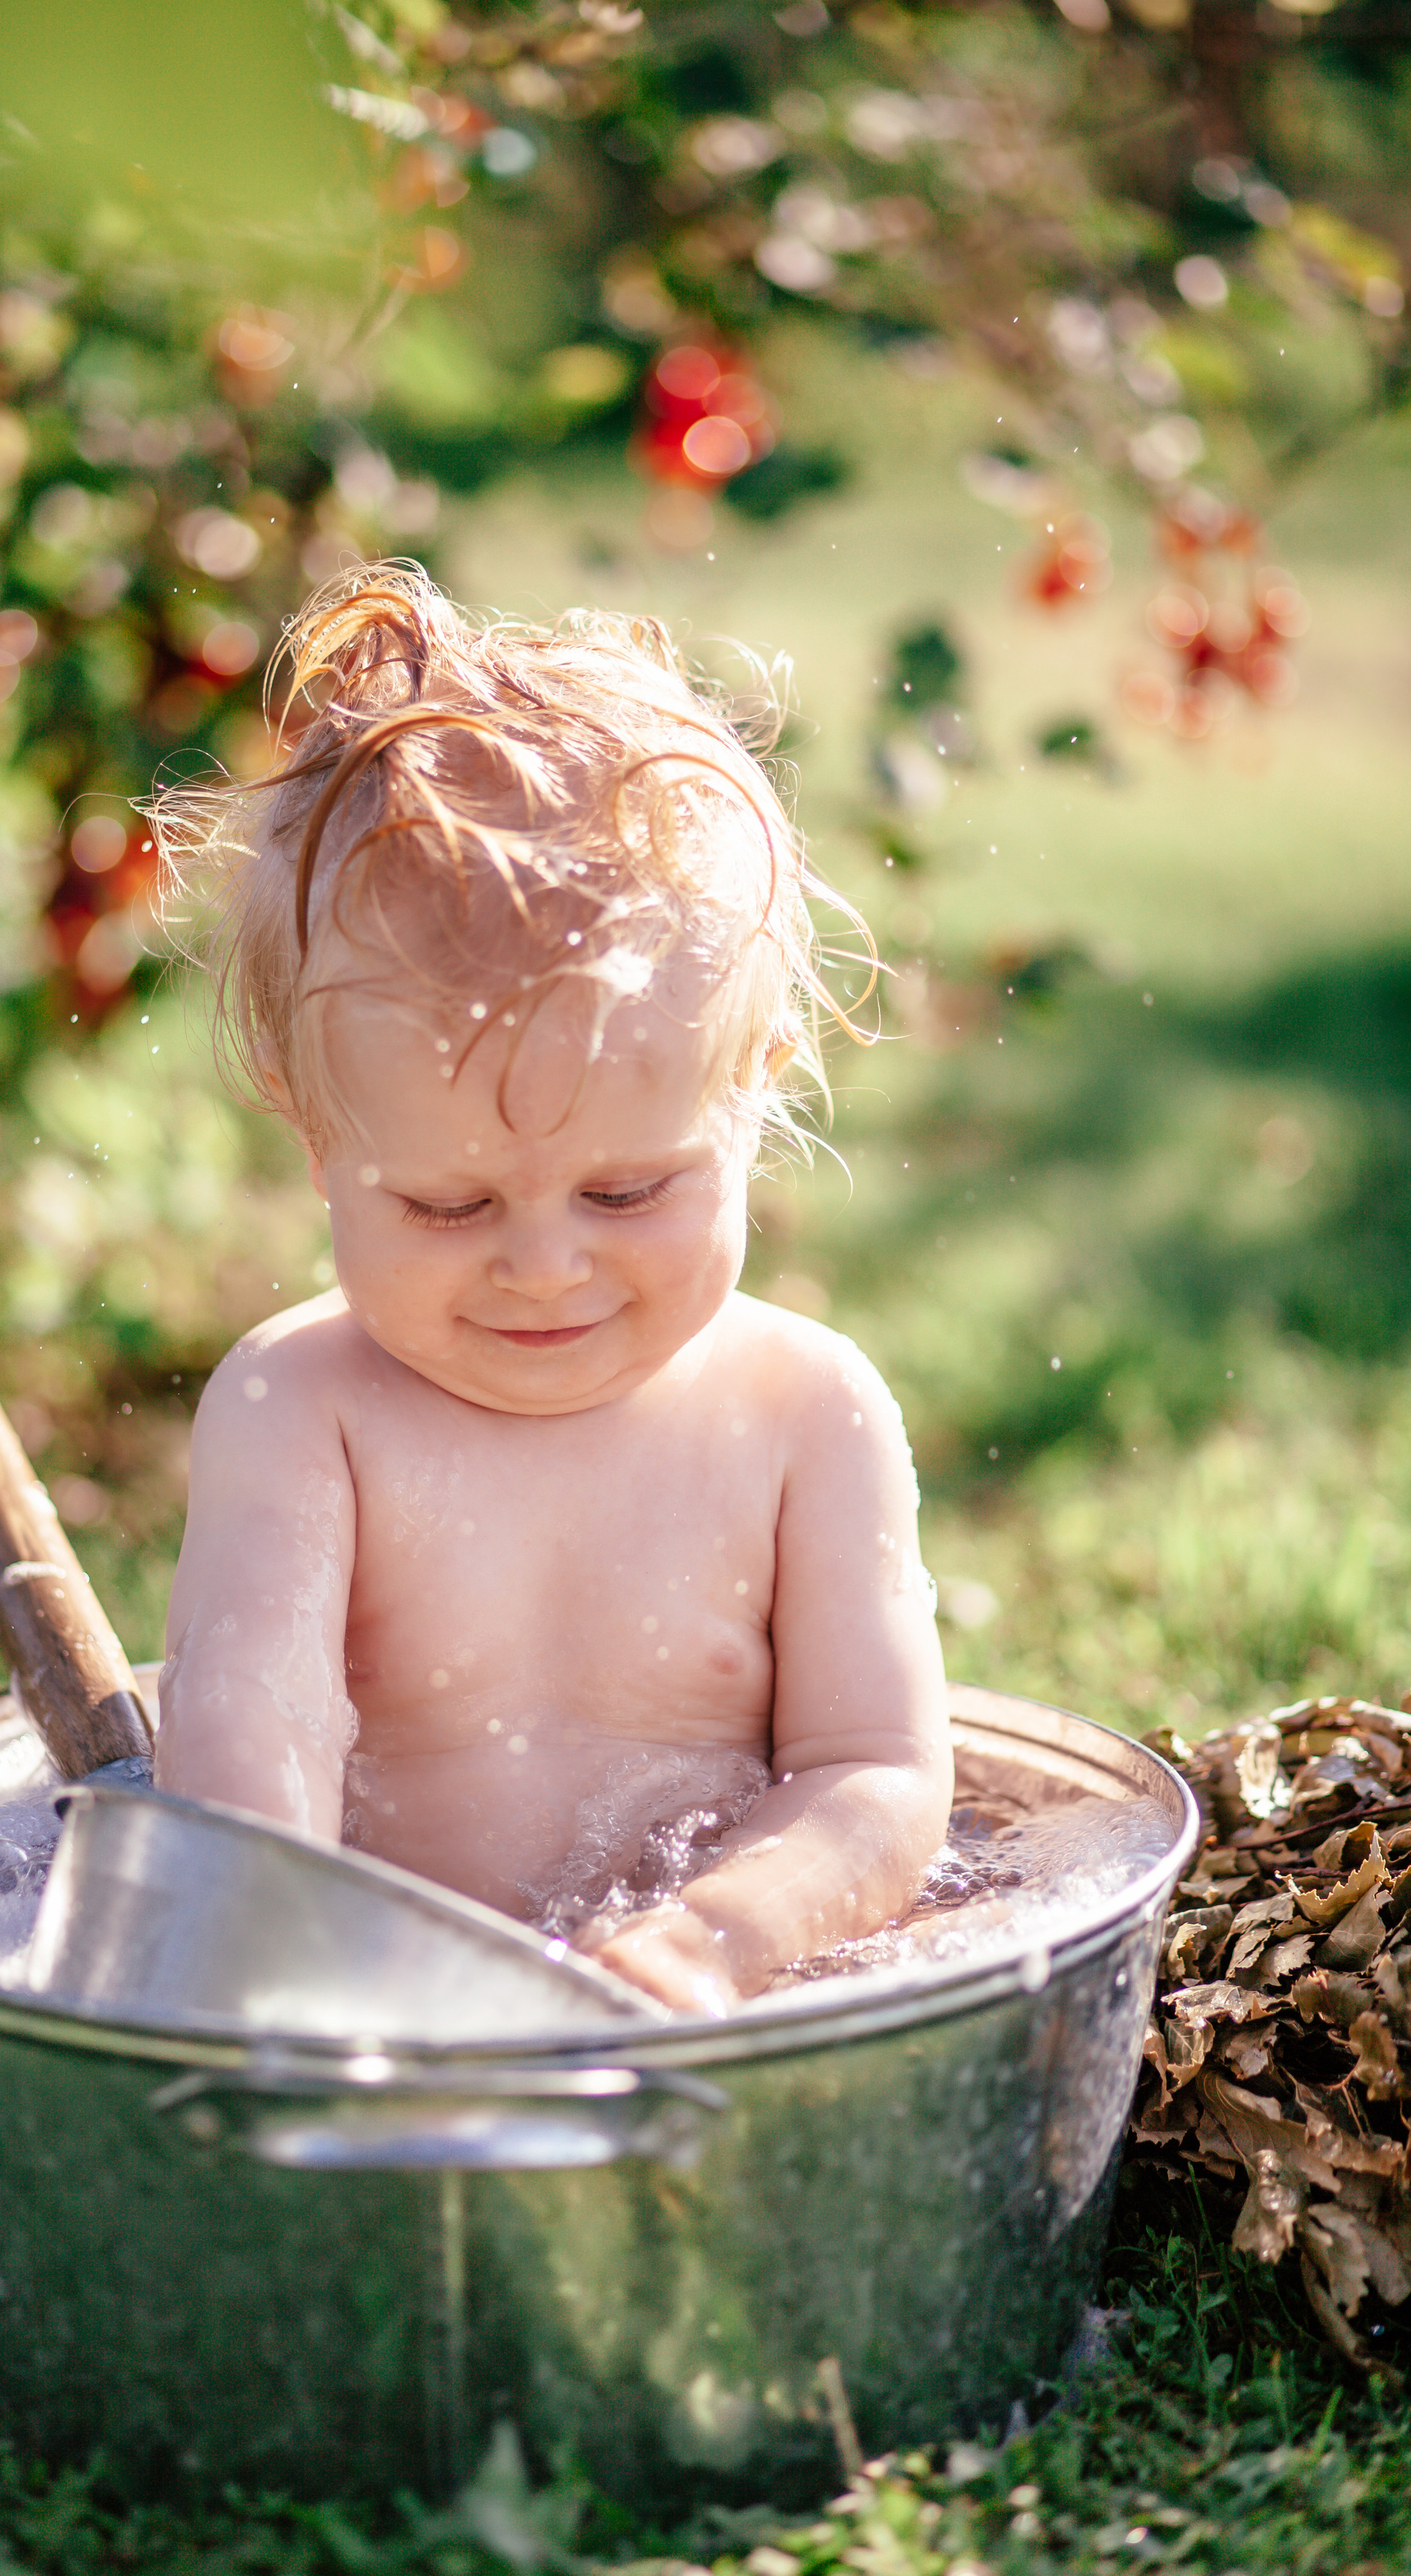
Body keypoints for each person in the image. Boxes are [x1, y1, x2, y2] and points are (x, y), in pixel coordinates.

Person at [150, 566, 951, 2014]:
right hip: (389, 2023)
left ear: (750, 1094)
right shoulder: (302, 1408)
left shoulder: (801, 1413)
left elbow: (874, 1777)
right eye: (447, 1204)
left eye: (624, 1191)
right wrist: (286, 1969)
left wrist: (718, 1936)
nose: (542, 1266)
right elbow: (240, 1761)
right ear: (317, 1137)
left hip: (709, 2039)